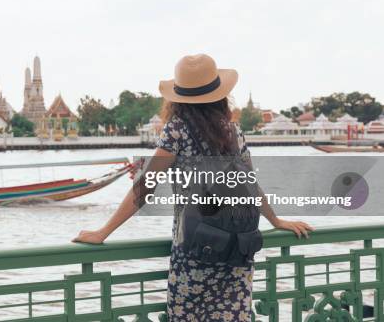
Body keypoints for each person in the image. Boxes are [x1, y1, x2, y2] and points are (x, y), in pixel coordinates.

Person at [73, 54, 313, 321]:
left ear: (177, 98)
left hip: (196, 249)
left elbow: (146, 186)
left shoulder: (176, 130)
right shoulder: (233, 131)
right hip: (236, 249)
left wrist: (104, 231)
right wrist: (276, 220)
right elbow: (249, 185)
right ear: (220, 95)